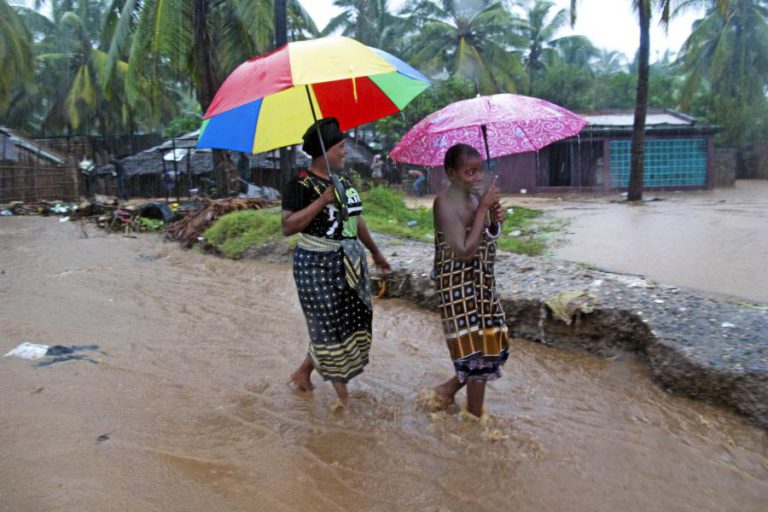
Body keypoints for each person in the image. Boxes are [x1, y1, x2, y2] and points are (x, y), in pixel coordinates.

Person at [282, 117, 391, 411]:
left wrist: (376, 253)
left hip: (347, 264)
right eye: (341, 147)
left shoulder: (343, 182)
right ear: (325, 150)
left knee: (345, 324)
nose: (345, 152)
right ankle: (345, 401)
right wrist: (322, 201)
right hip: (315, 265)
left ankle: (302, 373)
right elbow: (288, 226)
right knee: (327, 327)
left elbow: (356, 220)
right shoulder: (300, 181)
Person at [430, 143, 509, 420]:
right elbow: (464, 251)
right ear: (451, 173)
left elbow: (483, 237)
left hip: (482, 286)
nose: (477, 178)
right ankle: (475, 418)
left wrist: (494, 221)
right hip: (457, 291)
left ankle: (447, 391)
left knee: (488, 347)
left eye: (480, 171)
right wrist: (483, 209)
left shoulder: (475, 199)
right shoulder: (444, 203)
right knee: (476, 356)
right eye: (469, 172)